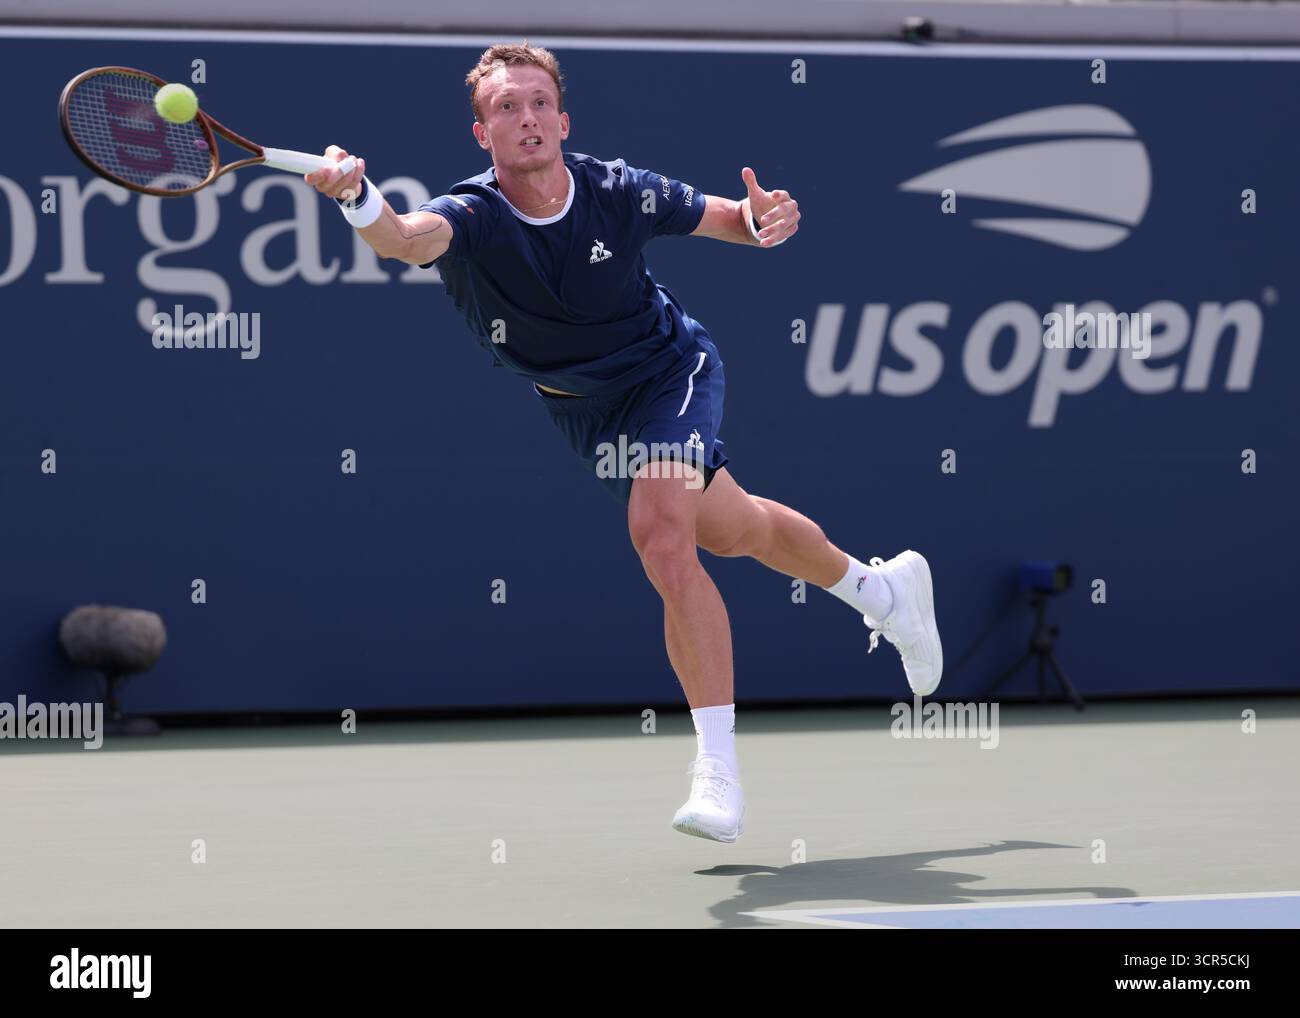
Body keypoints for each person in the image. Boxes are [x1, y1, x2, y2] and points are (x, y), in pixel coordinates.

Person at [306, 42, 942, 843]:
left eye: (539, 102)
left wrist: (763, 218)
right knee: (736, 529)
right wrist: (358, 198)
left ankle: (717, 771)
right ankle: (883, 593)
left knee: (662, 539)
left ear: (563, 121)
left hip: (669, 371)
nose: (526, 118)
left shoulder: (619, 191)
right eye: (506, 107)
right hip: (586, 411)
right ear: (483, 135)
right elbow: (402, 239)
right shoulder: (470, 216)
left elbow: (731, 222)